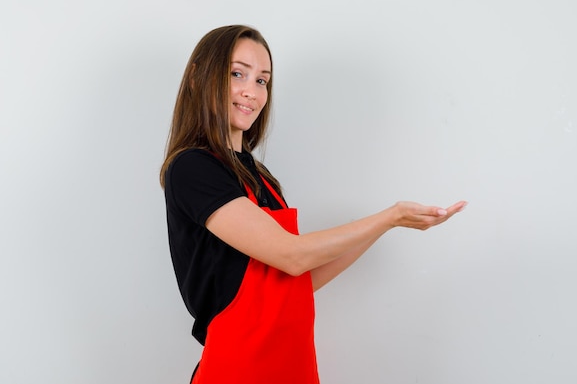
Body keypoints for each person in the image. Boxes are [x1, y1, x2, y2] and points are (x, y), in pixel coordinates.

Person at [160, 24, 467, 384]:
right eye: (237, 74)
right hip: (239, 369)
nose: (251, 92)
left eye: (262, 80)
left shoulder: (260, 178)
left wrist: (387, 224)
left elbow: (297, 277)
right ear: (199, 77)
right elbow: (293, 254)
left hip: (292, 367)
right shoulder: (194, 168)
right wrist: (390, 214)